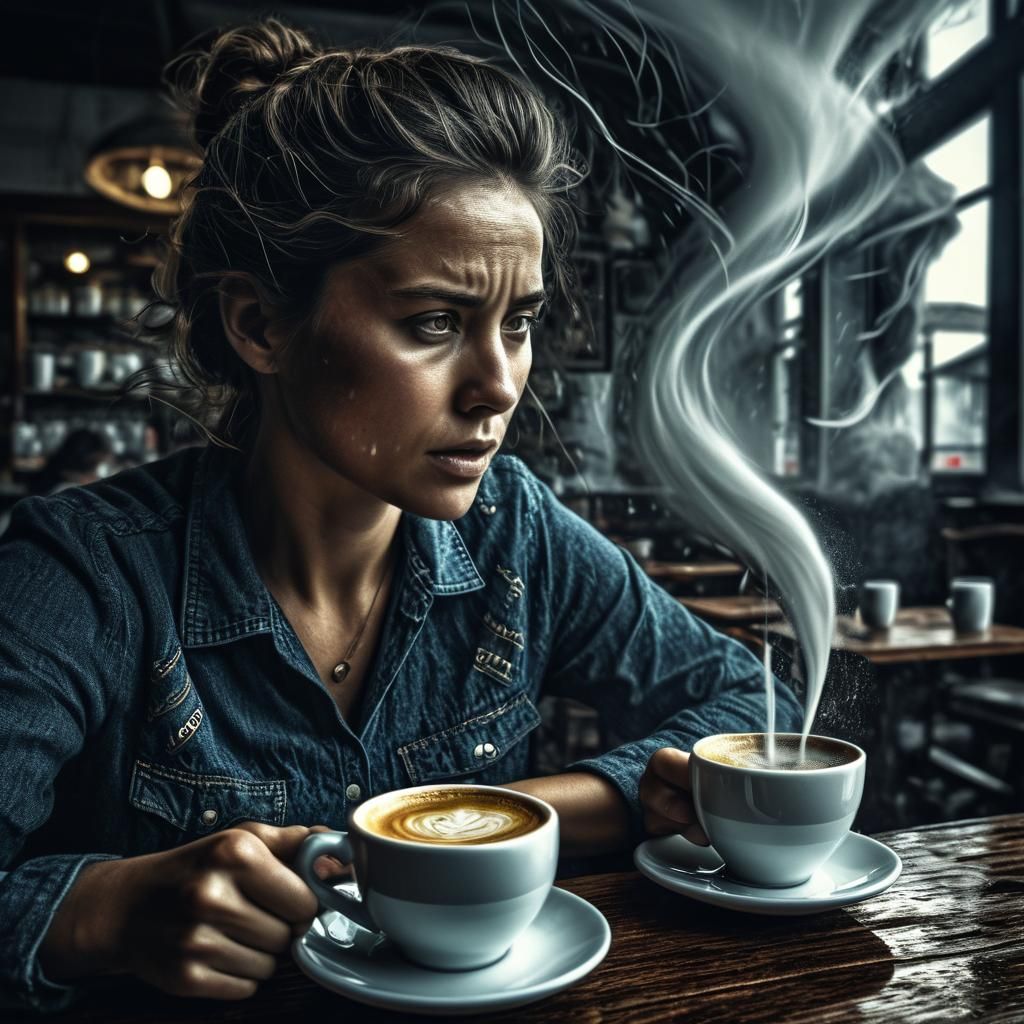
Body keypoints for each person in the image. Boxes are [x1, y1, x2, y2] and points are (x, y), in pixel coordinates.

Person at [0, 18, 801, 1012]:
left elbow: (742, 702)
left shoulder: (513, 530)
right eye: (434, 323)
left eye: (519, 322)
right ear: (260, 323)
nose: (498, 386)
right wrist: (101, 911)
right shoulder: (84, 571)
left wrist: (507, 817)